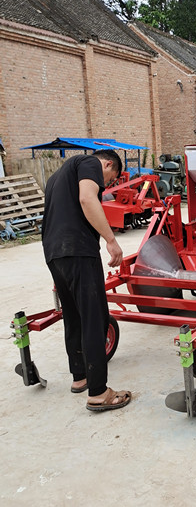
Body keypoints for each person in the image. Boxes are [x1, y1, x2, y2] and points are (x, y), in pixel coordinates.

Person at [42, 149, 132, 412]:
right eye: (110, 179)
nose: (107, 185)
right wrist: (111, 240)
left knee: (73, 316)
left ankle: (80, 377)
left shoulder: (56, 177)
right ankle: (99, 393)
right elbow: (87, 198)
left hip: (54, 252)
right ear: (107, 164)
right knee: (95, 318)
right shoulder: (89, 163)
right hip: (79, 250)